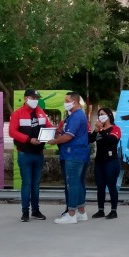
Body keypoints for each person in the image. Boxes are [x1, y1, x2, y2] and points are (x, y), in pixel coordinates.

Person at [9, 88, 54, 222]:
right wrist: (29, 140)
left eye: (36, 98)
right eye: (32, 98)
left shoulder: (40, 112)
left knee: (36, 184)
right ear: (25, 98)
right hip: (25, 153)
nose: (35, 100)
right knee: (26, 184)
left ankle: (35, 210)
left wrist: (54, 131)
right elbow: (12, 132)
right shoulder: (17, 113)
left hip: (38, 153)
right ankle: (25, 212)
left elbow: (48, 125)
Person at [48, 92, 90, 224]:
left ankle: (71, 214)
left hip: (73, 154)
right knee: (78, 183)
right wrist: (58, 133)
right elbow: (66, 133)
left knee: (72, 184)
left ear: (75, 102)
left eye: (67, 100)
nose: (65, 103)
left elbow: (68, 136)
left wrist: (54, 141)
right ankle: (81, 212)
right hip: (78, 154)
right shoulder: (72, 117)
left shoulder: (77, 116)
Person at [88, 107, 121, 219]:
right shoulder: (98, 129)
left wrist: (101, 130)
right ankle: (100, 210)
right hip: (99, 161)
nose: (100, 116)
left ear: (109, 115)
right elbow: (90, 140)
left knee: (111, 186)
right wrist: (96, 131)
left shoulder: (115, 128)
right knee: (100, 186)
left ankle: (113, 210)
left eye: (102, 114)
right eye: (99, 115)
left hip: (111, 161)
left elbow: (111, 141)